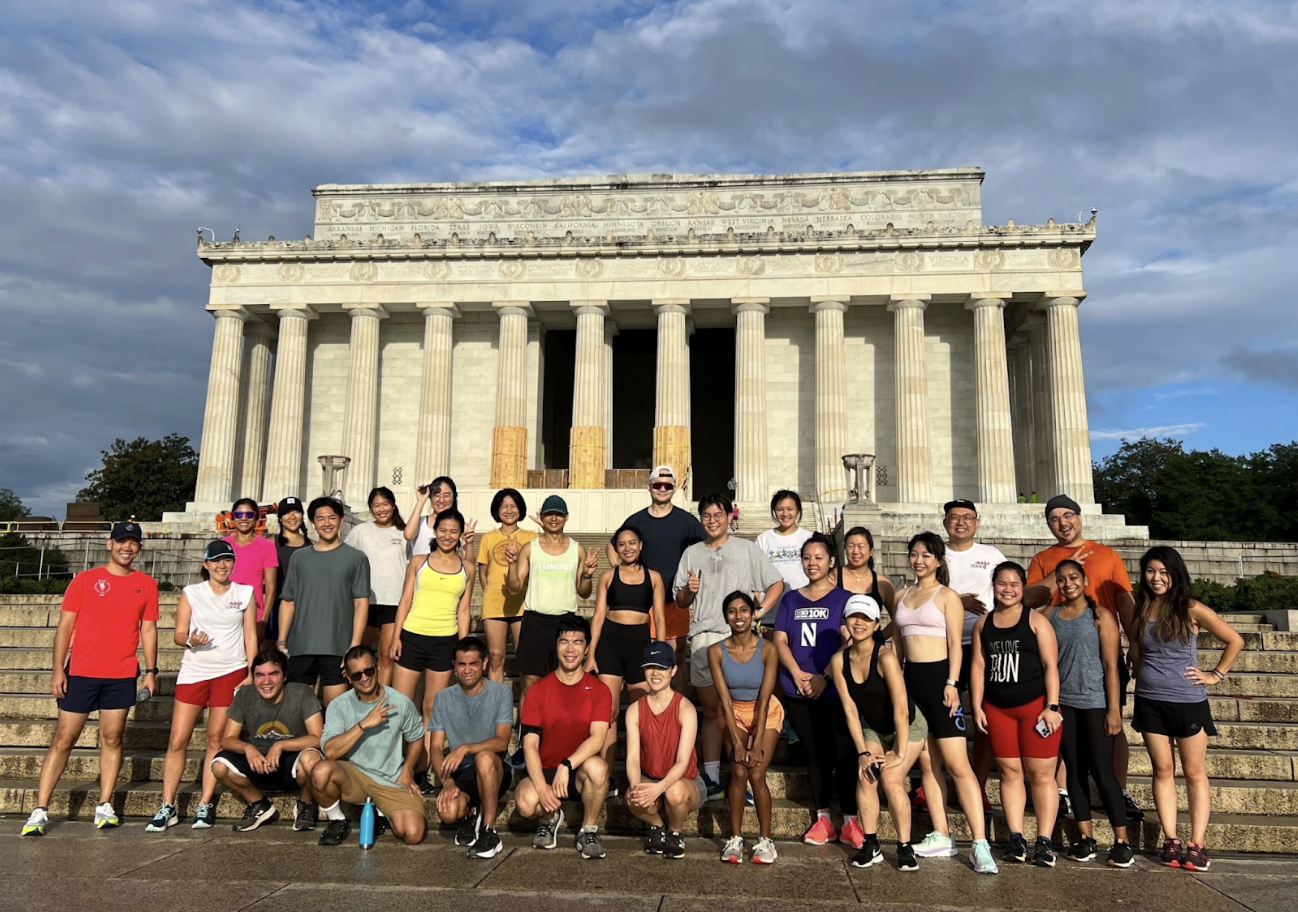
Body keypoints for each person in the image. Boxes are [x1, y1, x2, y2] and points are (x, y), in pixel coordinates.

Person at [22, 521, 158, 837]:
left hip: (122, 673)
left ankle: (105, 803)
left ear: (139, 548)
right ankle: (40, 808)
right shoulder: (85, 580)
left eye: (133, 543)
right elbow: (65, 627)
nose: (127, 547)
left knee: (112, 738)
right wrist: (58, 669)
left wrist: (151, 671)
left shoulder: (146, 585)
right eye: (121, 541)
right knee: (64, 739)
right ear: (109, 544)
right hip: (81, 671)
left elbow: (148, 629)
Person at [1024, 494, 1142, 820]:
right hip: (1058, 658)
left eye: (1068, 516)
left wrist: (1134, 641)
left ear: (1079, 517)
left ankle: (1119, 790)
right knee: (1063, 727)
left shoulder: (1107, 555)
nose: (1062, 523)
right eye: (1054, 519)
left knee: (1112, 725)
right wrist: (1064, 568)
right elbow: (1029, 600)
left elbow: (1124, 600)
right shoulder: (1043, 558)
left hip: (1104, 654)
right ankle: (1062, 791)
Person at [1130, 546, 1243, 872]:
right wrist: (1134, 657)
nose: (1157, 578)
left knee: (1194, 773)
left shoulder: (1190, 608)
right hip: (1150, 700)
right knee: (1162, 771)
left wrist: (1215, 675)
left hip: (1188, 701)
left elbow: (1234, 640)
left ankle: (1197, 844)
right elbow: (1139, 645)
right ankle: (1171, 839)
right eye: (1151, 571)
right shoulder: (1142, 607)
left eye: (1164, 572)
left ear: (1175, 574)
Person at [893, 531, 996, 874]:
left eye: (926, 555)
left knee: (957, 764)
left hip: (941, 683)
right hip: (911, 684)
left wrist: (953, 683)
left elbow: (956, 643)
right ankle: (941, 834)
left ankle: (979, 843)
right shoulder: (901, 595)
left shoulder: (947, 596)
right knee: (926, 764)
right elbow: (897, 646)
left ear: (938, 560)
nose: (919, 560)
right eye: (914, 554)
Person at [675, 493, 784, 801]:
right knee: (714, 711)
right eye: (706, 515)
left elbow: (775, 583)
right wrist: (688, 590)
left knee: (742, 709)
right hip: (705, 636)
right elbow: (680, 601)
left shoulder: (747, 549)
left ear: (729, 516)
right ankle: (711, 777)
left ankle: (748, 774)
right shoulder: (691, 553)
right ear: (701, 519)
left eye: (718, 514)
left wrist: (759, 614)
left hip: (741, 638)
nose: (712, 520)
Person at [147, 540, 258, 832]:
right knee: (177, 740)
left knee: (215, 740)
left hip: (230, 671)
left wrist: (251, 671)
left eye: (227, 560)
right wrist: (189, 641)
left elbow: (250, 633)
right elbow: (178, 633)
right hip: (195, 672)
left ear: (233, 563)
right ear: (206, 565)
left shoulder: (245, 592)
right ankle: (167, 804)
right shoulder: (191, 593)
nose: (222, 566)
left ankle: (205, 804)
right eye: (216, 561)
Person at [970, 561, 1064, 868]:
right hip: (998, 709)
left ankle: (1044, 841)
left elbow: (1051, 666)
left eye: (1014, 584)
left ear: (1022, 587)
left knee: (1040, 774)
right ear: (993, 586)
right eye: (1001, 583)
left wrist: (1052, 706)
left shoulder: (1036, 621)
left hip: (1034, 708)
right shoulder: (983, 624)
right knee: (1010, 774)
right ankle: (1016, 837)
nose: (1007, 589)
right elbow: (979, 667)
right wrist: (977, 705)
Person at [1045, 559, 1134, 867]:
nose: (1068, 583)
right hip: (1064, 703)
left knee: (1103, 771)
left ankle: (1122, 841)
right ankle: (1086, 838)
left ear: (1084, 580)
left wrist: (1114, 710)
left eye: (1073, 577)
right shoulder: (1050, 616)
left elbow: (1112, 667)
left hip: (1096, 702)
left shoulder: (1101, 616)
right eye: (1061, 579)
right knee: (1074, 769)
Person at [772, 533, 857, 847]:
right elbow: (780, 638)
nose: (812, 563)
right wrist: (797, 673)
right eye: (807, 558)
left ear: (831, 561)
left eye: (819, 557)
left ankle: (850, 819)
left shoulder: (844, 599)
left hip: (833, 688)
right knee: (815, 753)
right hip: (797, 690)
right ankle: (823, 819)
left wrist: (824, 676)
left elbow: (849, 640)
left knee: (844, 753)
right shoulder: (791, 598)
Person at [830, 593, 926, 872]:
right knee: (866, 775)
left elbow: (901, 710)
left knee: (892, 778)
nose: (858, 622)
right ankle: (871, 844)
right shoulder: (839, 661)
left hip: (908, 726)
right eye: (853, 616)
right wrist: (862, 752)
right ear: (846, 621)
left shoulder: (885, 657)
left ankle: (904, 846)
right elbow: (849, 709)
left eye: (866, 618)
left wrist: (899, 751)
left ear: (875, 625)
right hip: (872, 727)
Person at [514, 614, 612, 859]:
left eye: (577, 642)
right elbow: (530, 745)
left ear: (587, 648)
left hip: (578, 771)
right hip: (546, 769)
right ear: (556, 646)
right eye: (564, 642)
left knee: (599, 768)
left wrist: (567, 764)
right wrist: (541, 787)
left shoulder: (599, 690)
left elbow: (598, 738)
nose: (570, 649)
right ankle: (550, 818)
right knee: (526, 804)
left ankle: (588, 830)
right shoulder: (538, 691)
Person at [312, 645, 428, 846]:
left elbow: (417, 737)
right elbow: (329, 752)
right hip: (353, 776)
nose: (364, 678)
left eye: (369, 670)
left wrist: (408, 770)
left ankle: (381, 810)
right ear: (348, 677)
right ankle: (336, 819)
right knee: (321, 771)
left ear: (378, 668)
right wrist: (364, 724)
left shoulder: (399, 702)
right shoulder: (339, 705)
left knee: (413, 834)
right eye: (357, 674)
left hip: (389, 779)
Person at [606, 466, 704, 688]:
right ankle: (650, 711)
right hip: (644, 603)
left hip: (675, 601)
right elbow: (612, 546)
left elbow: (706, 548)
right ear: (649, 486)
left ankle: (677, 708)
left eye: (667, 485)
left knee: (675, 656)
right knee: (647, 656)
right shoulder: (636, 520)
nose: (662, 489)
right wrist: (622, 573)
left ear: (674, 488)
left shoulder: (686, 521)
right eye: (657, 484)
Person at [212, 648, 324, 833]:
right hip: (258, 763)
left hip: (292, 764)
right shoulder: (244, 695)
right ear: (253, 677)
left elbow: (318, 738)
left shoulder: (302, 693)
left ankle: (305, 804)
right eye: (259, 675)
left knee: (312, 758)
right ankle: (259, 804)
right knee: (218, 765)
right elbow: (227, 740)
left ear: (285, 675)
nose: (266, 681)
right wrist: (247, 748)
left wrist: (280, 745)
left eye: (273, 674)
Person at [588, 524, 665, 788]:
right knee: (609, 714)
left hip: (640, 647)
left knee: (643, 712)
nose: (627, 548)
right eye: (622, 544)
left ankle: (643, 774)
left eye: (632, 543)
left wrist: (662, 653)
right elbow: (598, 616)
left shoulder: (653, 577)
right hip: (609, 644)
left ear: (640, 545)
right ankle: (606, 778)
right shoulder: (608, 576)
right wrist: (591, 653)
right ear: (616, 548)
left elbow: (660, 618)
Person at [709, 592, 783, 865]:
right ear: (725, 616)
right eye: (732, 611)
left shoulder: (768, 649)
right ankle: (736, 838)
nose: (738, 616)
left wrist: (757, 742)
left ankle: (766, 840)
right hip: (733, 713)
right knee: (739, 770)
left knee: (757, 772)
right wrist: (740, 744)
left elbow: (764, 700)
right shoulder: (715, 651)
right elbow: (724, 700)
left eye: (744, 610)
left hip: (765, 711)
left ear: (753, 614)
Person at [277, 497, 370, 707]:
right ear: (312, 522)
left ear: (341, 520)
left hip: (338, 646)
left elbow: (361, 603)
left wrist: (355, 643)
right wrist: (282, 640)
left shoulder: (356, 558)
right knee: (300, 708)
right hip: (302, 645)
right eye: (320, 519)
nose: (326, 523)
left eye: (332, 518)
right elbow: (288, 601)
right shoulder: (299, 558)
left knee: (335, 708)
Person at [427, 636, 513, 859]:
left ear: (484, 664)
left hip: (495, 768)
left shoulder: (500, 692)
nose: (467, 670)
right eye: (461, 664)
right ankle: (473, 812)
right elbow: (436, 747)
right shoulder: (444, 697)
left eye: (473, 663)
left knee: (484, 757)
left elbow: (502, 741)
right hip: (462, 773)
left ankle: (489, 832)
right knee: (448, 813)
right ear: (454, 666)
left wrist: (465, 748)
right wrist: (446, 783)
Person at [941, 500, 1005, 798]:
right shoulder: (936, 555)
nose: (961, 522)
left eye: (967, 518)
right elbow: (922, 592)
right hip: (943, 646)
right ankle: (936, 780)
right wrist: (957, 600)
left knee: (984, 716)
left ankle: (978, 783)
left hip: (983, 646)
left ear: (977, 523)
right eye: (955, 518)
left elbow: (1009, 589)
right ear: (945, 523)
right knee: (941, 714)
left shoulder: (991, 555)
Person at [506, 495, 599, 694]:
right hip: (535, 621)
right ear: (541, 516)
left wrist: (586, 576)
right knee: (530, 684)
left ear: (566, 517)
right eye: (549, 514)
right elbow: (514, 588)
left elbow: (584, 592)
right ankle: (529, 726)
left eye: (558, 514)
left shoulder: (577, 550)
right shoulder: (530, 548)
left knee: (565, 682)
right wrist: (512, 563)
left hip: (566, 623)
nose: (554, 518)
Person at [391, 509, 473, 727]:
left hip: (445, 640)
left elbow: (464, 610)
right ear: (435, 531)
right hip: (412, 636)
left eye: (453, 531)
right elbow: (405, 600)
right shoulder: (418, 562)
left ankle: (426, 761)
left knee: (432, 707)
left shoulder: (468, 568)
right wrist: (396, 637)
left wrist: (462, 648)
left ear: (461, 534)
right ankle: (399, 759)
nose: (447, 536)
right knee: (401, 705)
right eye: (443, 530)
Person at [625, 640, 703, 859]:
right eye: (650, 667)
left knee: (674, 791)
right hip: (650, 776)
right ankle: (657, 826)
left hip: (685, 781)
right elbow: (632, 759)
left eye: (662, 667)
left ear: (673, 670)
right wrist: (636, 786)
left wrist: (659, 788)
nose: (655, 673)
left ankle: (675, 832)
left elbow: (683, 762)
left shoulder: (685, 708)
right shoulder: (634, 710)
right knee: (632, 795)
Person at [346, 486, 410, 685]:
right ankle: (356, 697)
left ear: (393, 505)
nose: (381, 509)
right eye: (376, 505)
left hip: (394, 601)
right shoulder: (360, 531)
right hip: (366, 601)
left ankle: (381, 699)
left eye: (385, 504)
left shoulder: (404, 533)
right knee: (358, 655)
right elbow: (345, 560)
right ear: (371, 508)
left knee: (386, 655)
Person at [477, 488, 537, 683]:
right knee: (495, 656)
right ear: (497, 510)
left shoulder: (532, 537)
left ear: (520, 510)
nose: (509, 510)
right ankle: (497, 708)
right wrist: (490, 591)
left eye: (513, 506)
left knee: (524, 660)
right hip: (495, 603)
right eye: (504, 506)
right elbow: (483, 571)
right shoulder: (488, 538)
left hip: (523, 604)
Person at [223, 497, 278, 644]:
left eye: (249, 514)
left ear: (257, 517)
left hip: (254, 616)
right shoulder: (223, 545)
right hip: (224, 615)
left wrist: (264, 622)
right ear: (233, 517)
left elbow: (271, 588)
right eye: (239, 515)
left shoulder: (267, 546)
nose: (244, 519)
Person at [266, 496, 310, 650]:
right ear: (280, 518)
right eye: (287, 513)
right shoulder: (270, 544)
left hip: (304, 608)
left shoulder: (312, 545)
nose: (292, 517)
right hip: (276, 608)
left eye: (296, 512)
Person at [755, 490, 814, 592]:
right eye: (780, 509)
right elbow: (756, 574)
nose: (785, 514)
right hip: (773, 604)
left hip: (805, 601)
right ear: (774, 511)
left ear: (798, 510)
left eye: (790, 509)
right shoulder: (763, 539)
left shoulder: (810, 538)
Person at [405, 475, 476, 559]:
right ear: (430, 496)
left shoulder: (462, 526)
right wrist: (420, 501)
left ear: (454, 497)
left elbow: (468, 563)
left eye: (446, 495)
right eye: (436, 495)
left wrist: (469, 543)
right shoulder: (419, 521)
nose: (441, 500)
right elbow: (408, 535)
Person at [838, 526, 895, 613]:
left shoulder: (883, 583)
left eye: (861, 547)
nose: (855, 551)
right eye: (851, 546)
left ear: (871, 551)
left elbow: (898, 619)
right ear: (845, 549)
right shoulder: (832, 578)